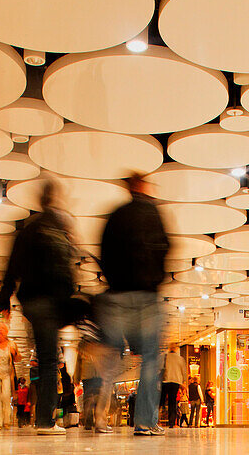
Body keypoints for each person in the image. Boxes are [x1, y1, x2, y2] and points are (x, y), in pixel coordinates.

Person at [0, 180, 81, 436]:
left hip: (33, 301)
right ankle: (45, 420)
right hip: (51, 302)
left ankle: (46, 418)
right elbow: (67, 268)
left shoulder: (29, 229)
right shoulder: (60, 228)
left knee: (47, 358)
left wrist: (4, 299)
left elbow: (12, 265)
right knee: (48, 360)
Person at [95, 172, 170, 436]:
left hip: (117, 295)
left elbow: (102, 252)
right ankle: (145, 422)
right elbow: (165, 246)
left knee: (112, 358)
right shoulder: (152, 213)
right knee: (151, 358)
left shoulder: (115, 216)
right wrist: (157, 278)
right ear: (143, 186)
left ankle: (99, 416)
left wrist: (113, 280)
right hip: (146, 295)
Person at [162, 346, 186, 427]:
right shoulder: (180, 359)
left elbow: (161, 369)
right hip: (175, 382)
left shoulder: (165, 358)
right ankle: (171, 422)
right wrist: (183, 382)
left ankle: (155, 419)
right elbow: (184, 371)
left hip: (166, 381)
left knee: (162, 400)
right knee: (172, 402)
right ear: (176, 349)